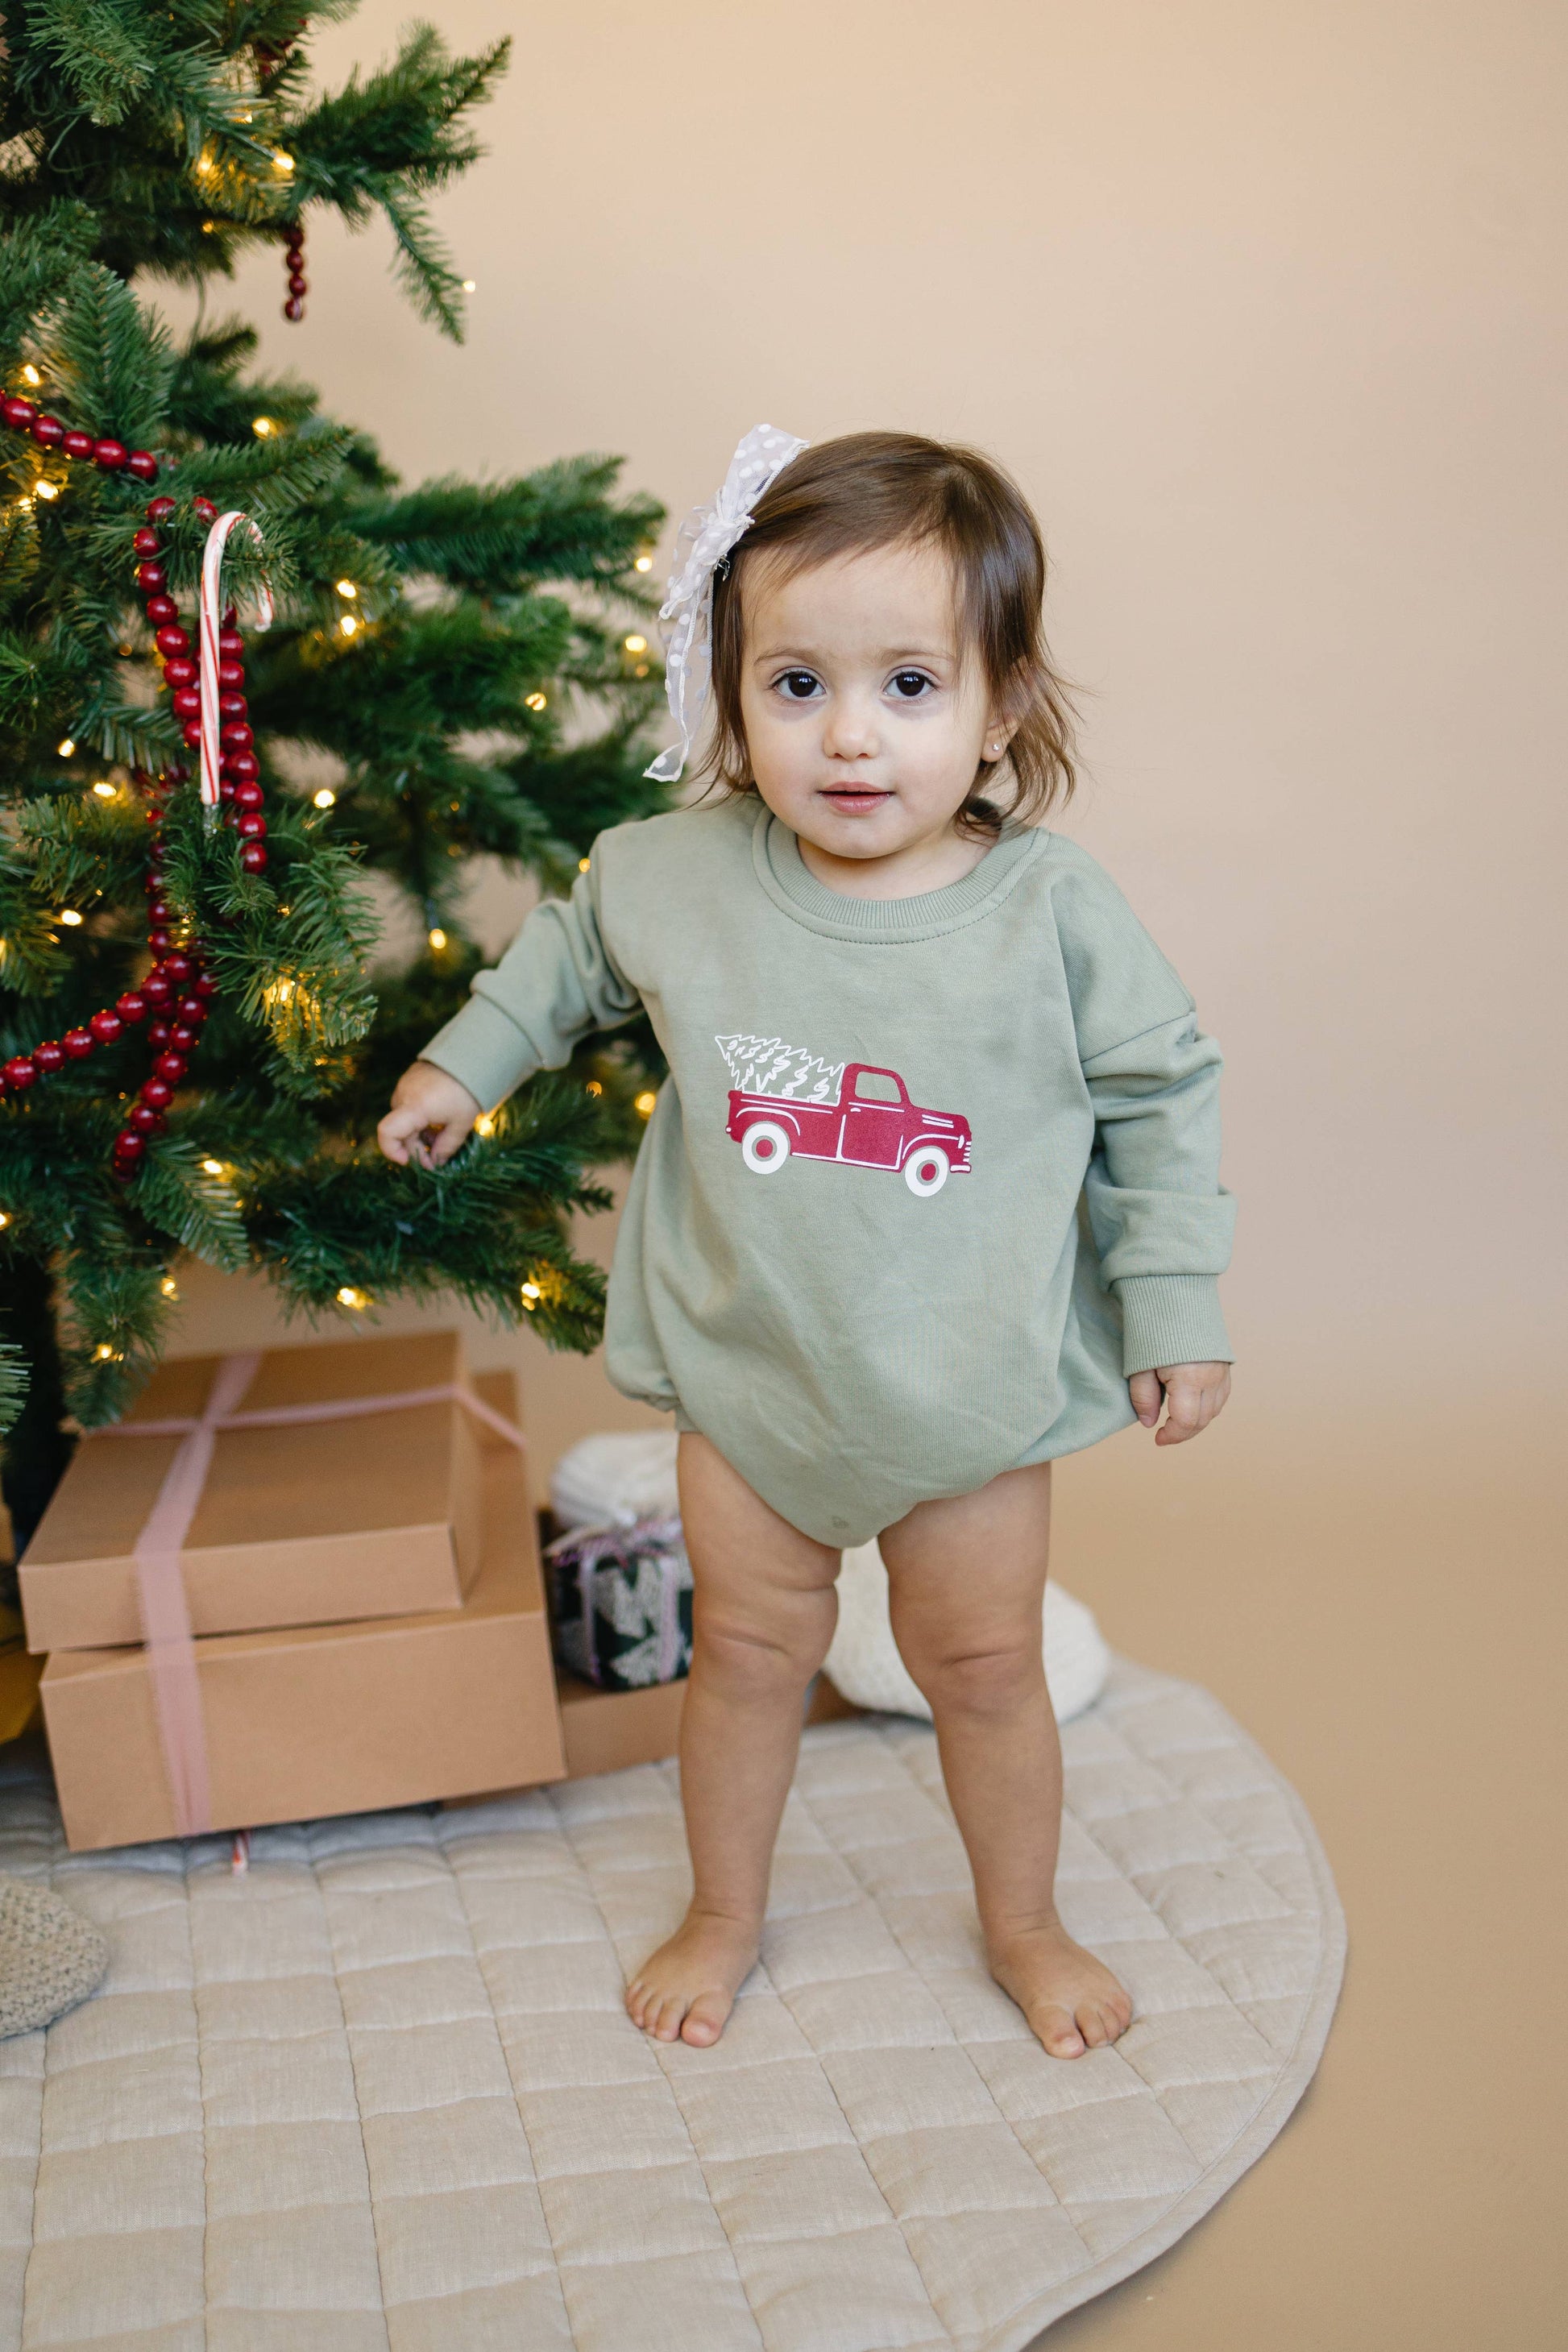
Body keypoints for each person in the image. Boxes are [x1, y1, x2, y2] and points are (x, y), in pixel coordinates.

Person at [379, 426, 1235, 2059]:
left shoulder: (1051, 914)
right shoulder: (674, 874)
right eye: (794, 684)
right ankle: (721, 1906)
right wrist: (461, 1065)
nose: (850, 736)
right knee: (750, 1653)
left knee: (983, 1662)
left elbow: (1162, 1100)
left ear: (999, 704)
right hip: (754, 1372)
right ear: (730, 690)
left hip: (967, 1387)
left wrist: (1170, 1306)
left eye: (909, 686)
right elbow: (562, 962)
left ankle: (1025, 1917)